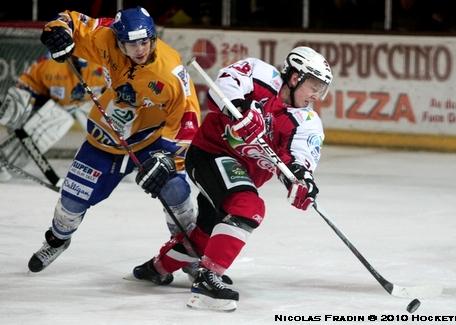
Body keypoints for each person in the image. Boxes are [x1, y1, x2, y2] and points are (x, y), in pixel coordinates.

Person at [133, 46, 333, 311]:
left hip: (241, 174)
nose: (316, 96)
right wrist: (241, 109)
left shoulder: (307, 122)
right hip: (210, 153)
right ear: (295, 78)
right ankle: (207, 279)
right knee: (248, 207)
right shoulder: (261, 74)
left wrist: (301, 182)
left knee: (203, 238)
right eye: (314, 86)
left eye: (322, 89)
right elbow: (224, 86)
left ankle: (156, 268)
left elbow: (298, 159)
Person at [27, 7, 201, 280]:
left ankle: (189, 253)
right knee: (71, 201)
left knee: (176, 190)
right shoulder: (106, 38)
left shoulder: (169, 71)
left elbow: (189, 119)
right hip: (105, 136)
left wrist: (168, 159)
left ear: (153, 38)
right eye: (131, 43)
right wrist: (58, 32)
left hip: (151, 140)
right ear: (119, 41)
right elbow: (70, 20)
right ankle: (58, 239)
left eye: (145, 41)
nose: (140, 49)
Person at [0, 55, 107, 181]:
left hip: (83, 103)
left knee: (109, 120)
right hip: (49, 103)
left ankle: (117, 158)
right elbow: (25, 86)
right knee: (59, 118)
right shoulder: (51, 67)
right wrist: (23, 119)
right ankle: (7, 159)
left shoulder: (103, 66)